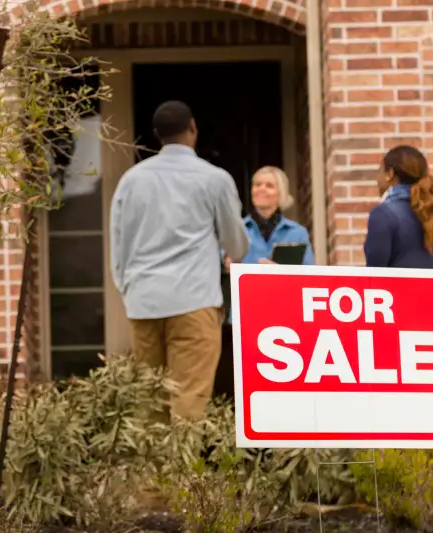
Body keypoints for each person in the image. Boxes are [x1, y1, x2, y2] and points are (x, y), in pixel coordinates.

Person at [109, 100, 249, 420]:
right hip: (193, 300)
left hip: (144, 302)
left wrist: (128, 290)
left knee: (149, 400)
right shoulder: (214, 179)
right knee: (189, 398)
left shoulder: (131, 180)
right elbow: (235, 243)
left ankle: (151, 470)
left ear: (157, 134)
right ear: (193, 129)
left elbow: (119, 247)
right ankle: (181, 471)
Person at [216, 166, 315, 399]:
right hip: (241, 316)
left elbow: (309, 274)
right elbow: (216, 264)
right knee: (240, 382)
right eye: (256, 184)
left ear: (281, 193)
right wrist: (225, 264)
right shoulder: (237, 229)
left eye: (269, 185)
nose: (261, 189)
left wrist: (281, 272)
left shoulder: (297, 232)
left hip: (282, 318)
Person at [365, 145, 433, 269]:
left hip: (394, 289)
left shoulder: (383, 214)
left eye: (380, 171)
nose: (377, 179)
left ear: (390, 174)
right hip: (428, 289)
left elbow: (375, 275)